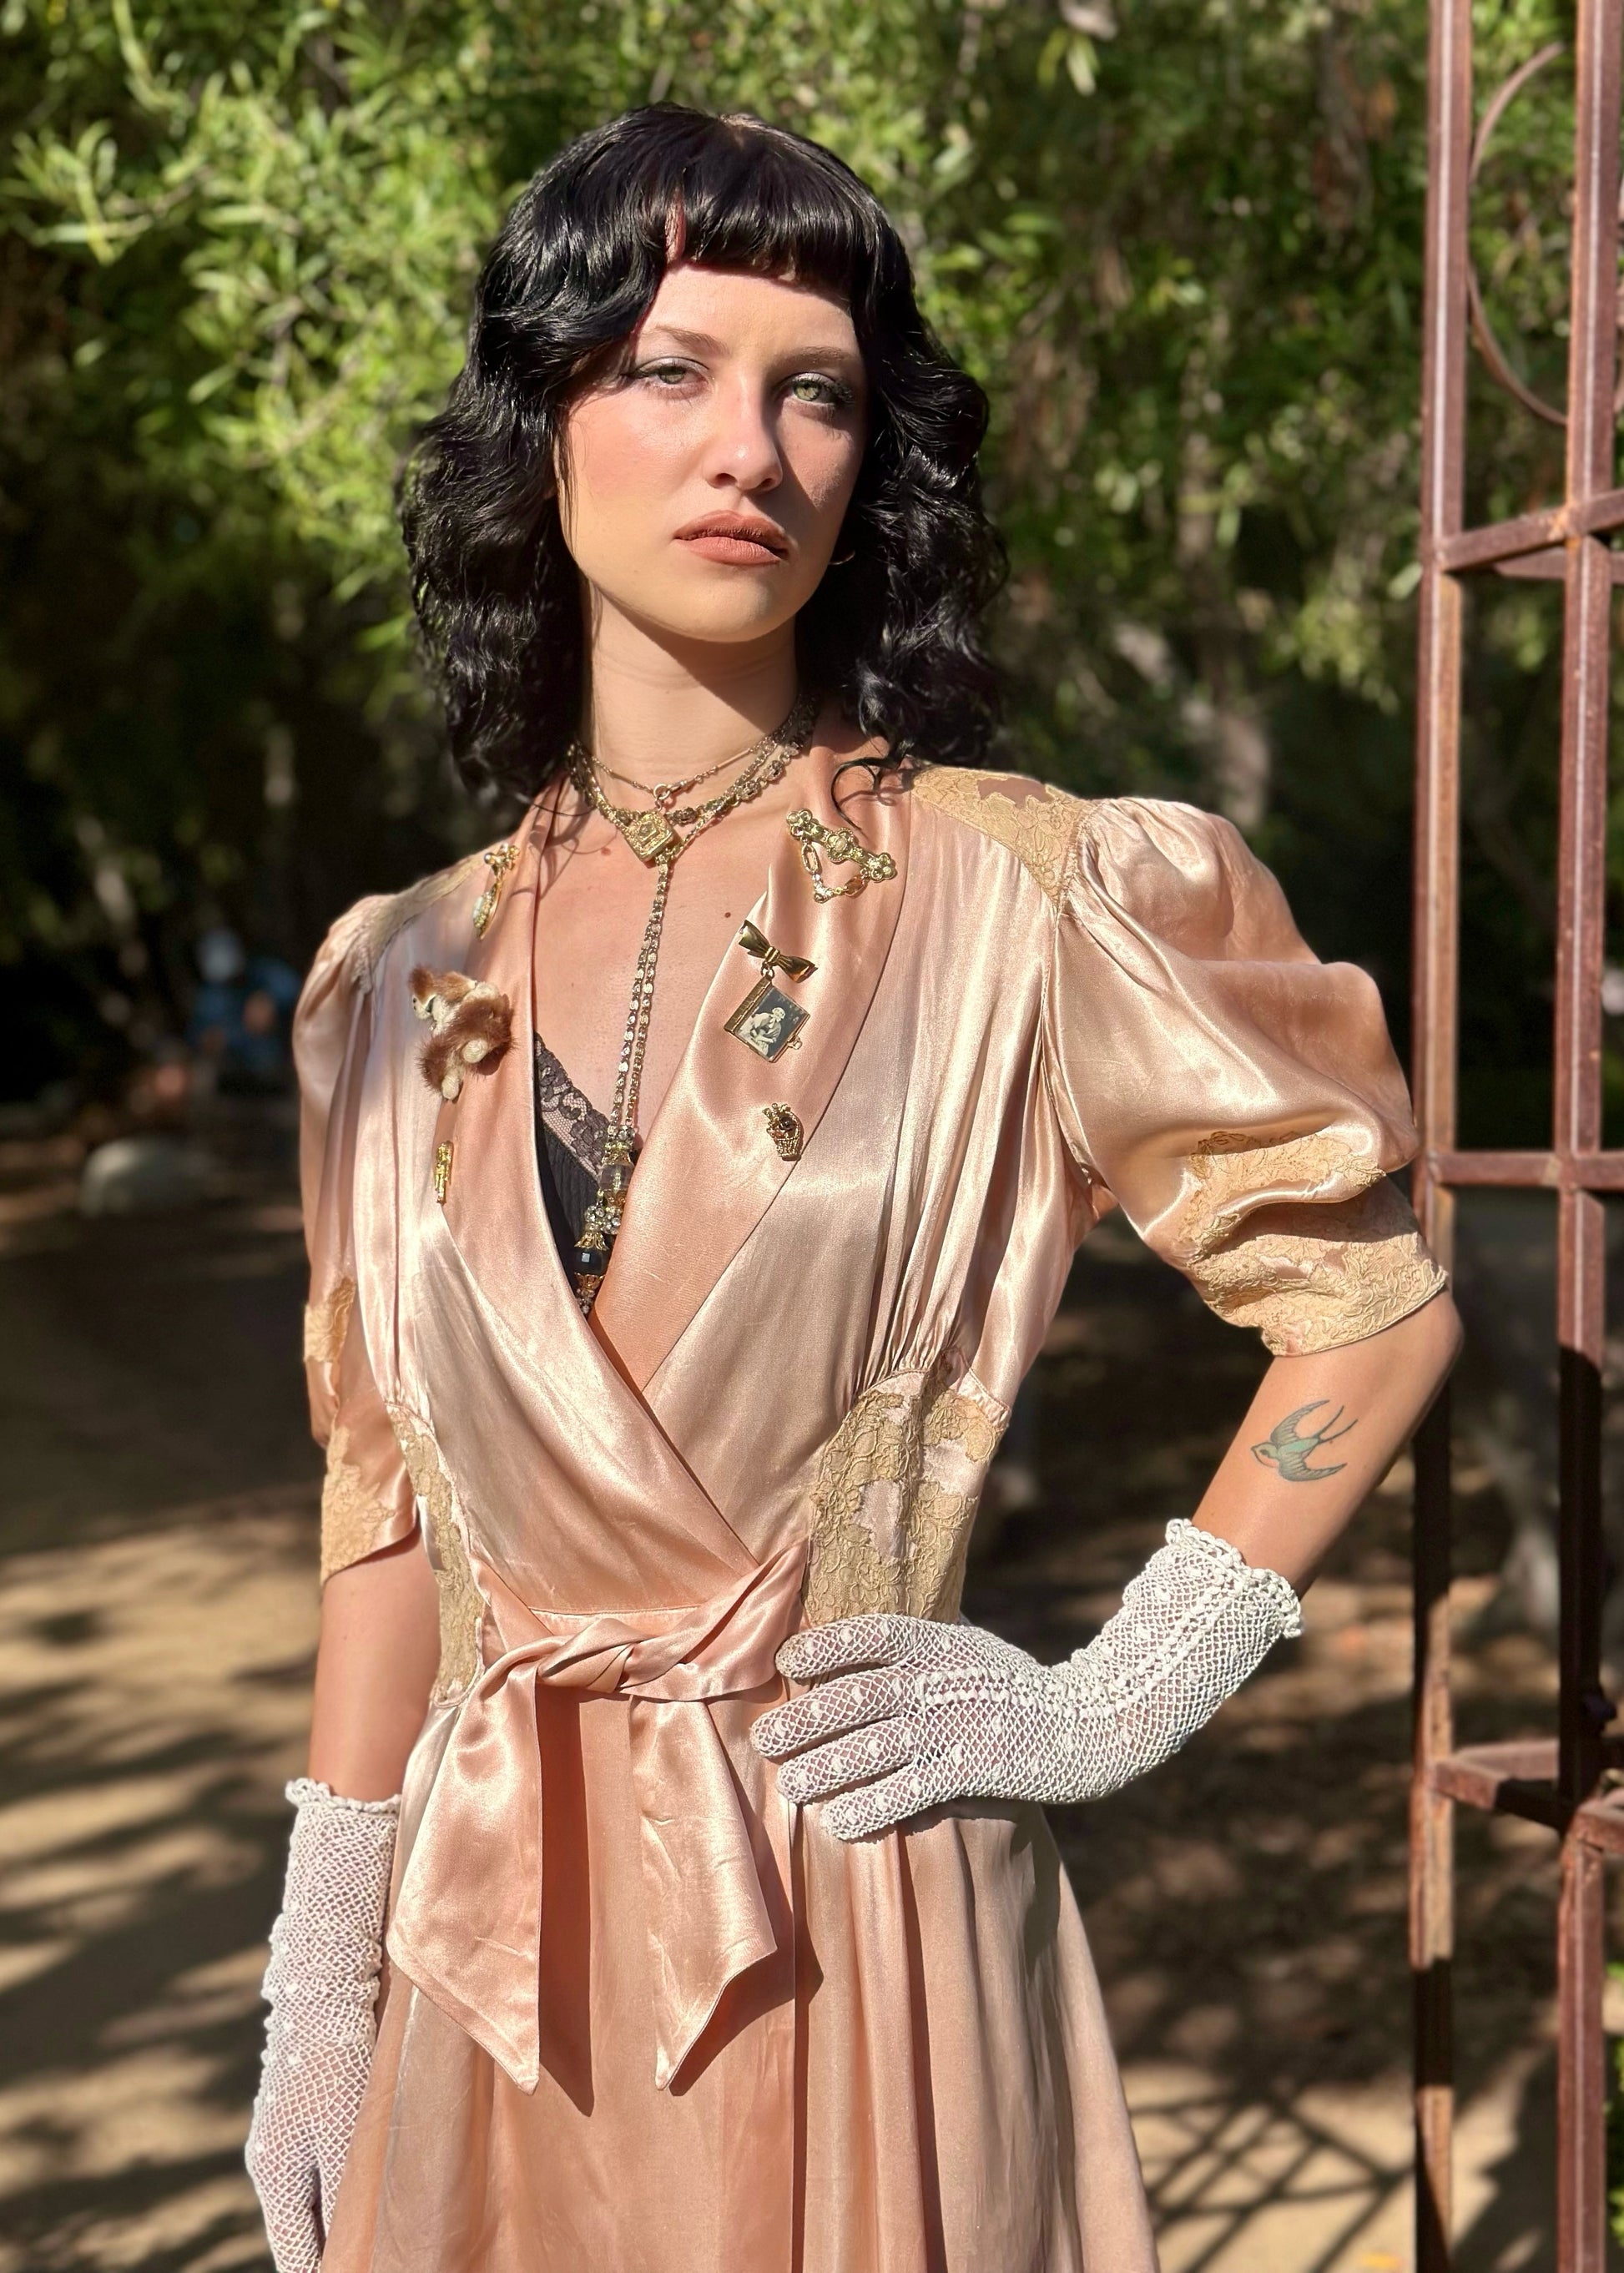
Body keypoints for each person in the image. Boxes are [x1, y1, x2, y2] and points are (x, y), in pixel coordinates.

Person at [245, 105, 1460, 2273]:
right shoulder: (387, 973)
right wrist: (315, 1987)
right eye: (670, 369)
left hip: (858, 1904)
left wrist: (1106, 1696)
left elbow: (1367, 1315)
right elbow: (388, 1515)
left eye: (814, 390)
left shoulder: (1037, 895)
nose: (754, 446)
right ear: (540, 425)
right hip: (484, 1947)